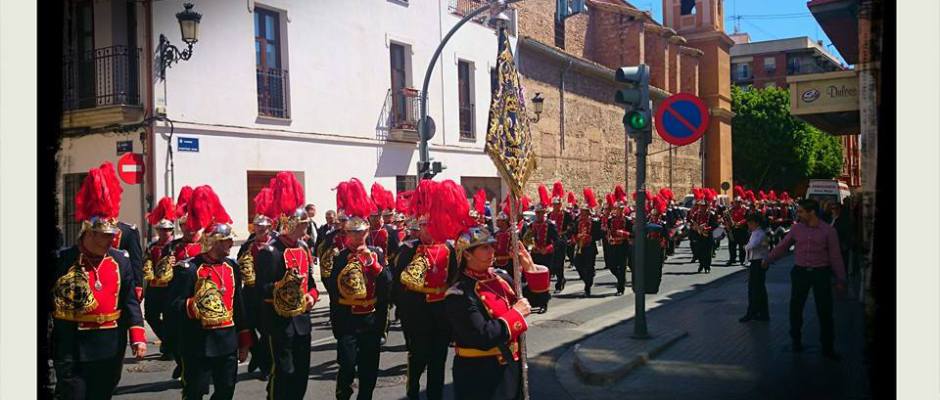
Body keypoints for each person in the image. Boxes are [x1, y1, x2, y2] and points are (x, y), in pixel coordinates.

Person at [51, 163, 147, 399]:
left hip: (110, 345)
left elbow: (129, 302)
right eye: (104, 236)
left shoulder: (120, 261)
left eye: (111, 236)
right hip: (71, 344)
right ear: (88, 232)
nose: (109, 241)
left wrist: (137, 336)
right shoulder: (62, 261)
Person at [168, 186, 252, 399]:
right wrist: (193, 306)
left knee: (226, 392)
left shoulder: (232, 267)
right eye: (226, 241)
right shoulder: (188, 269)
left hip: (227, 342)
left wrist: (244, 341)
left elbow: (238, 306)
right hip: (198, 343)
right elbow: (173, 305)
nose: (231, 244)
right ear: (213, 242)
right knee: (194, 393)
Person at [445, 229, 551, 400]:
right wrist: (516, 314)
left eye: (492, 246)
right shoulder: (459, 293)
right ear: (467, 255)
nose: (492, 251)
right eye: (485, 247)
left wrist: (529, 267)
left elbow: (535, 301)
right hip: (480, 375)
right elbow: (481, 336)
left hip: (511, 366)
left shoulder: (501, 277)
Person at [394, 179, 463, 400]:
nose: (427, 230)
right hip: (417, 314)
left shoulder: (449, 249)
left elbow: (454, 281)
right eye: (423, 226)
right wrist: (405, 314)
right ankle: (412, 393)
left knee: (438, 361)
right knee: (418, 358)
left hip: (441, 314)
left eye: (430, 225)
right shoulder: (408, 250)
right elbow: (398, 285)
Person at [255, 172, 321, 399]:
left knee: (301, 374)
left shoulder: (303, 248)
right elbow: (261, 288)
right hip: (278, 321)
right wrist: (282, 288)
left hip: (302, 319)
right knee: (283, 372)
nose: (305, 229)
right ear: (290, 224)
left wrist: (312, 297)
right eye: (302, 225)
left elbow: (311, 283)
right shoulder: (269, 252)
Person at [326, 179, 393, 400]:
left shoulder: (377, 253)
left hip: (371, 319)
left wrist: (373, 265)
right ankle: (343, 393)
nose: (357, 238)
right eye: (353, 234)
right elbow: (333, 289)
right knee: (346, 364)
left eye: (361, 233)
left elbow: (387, 284)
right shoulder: (340, 256)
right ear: (346, 234)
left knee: (369, 369)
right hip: (347, 318)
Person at [763, 198, 846, 360]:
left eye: (801, 211)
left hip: (820, 273)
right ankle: (796, 340)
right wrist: (768, 259)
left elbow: (836, 256)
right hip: (800, 272)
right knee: (796, 307)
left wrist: (841, 280)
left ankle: (828, 347)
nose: (798, 214)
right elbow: (783, 246)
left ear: (812, 212)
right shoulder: (796, 229)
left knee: (825, 310)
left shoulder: (828, 231)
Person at [157, 186, 205, 380]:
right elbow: (161, 271)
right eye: (184, 225)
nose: (188, 229)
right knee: (173, 337)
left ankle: (193, 368)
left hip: (200, 296)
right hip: (176, 297)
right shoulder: (172, 246)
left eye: (191, 225)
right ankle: (181, 362)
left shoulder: (206, 244)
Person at [238, 187, 277, 379]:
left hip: (269, 292)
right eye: (257, 229)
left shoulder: (276, 244)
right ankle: (259, 357)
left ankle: (266, 364)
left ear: (270, 228)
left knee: (268, 331)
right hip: (250, 292)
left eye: (263, 229)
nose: (259, 232)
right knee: (248, 326)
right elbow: (239, 262)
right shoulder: (248, 244)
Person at [142, 196, 177, 360]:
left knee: (170, 318)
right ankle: (169, 341)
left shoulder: (176, 246)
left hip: (170, 287)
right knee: (150, 315)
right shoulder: (152, 245)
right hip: (154, 286)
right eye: (161, 230)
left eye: (167, 230)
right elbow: (147, 259)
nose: (164, 233)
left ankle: (170, 346)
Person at [523, 185, 560, 293]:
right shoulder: (532, 225)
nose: (539, 215)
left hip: (547, 254)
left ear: (544, 213)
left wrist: (547, 249)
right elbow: (527, 239)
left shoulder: (550, 225)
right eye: (537, 213)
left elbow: (557, 241)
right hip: (536, 253)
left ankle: (545, 297)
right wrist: (532, 247)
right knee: (536, 275)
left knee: (546, 276)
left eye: (541, 213)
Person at [569, 188, 603, 297]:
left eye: (584, 212)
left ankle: (587, 287)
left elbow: (599, 234)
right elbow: (572, 232)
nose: (582, 214)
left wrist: (591, 237)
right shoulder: (577, 221)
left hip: (590, 248)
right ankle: (587, 279)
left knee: (589, 267)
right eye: (582, 212)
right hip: (580, 247)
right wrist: (576, 237)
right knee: (578, 265)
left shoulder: (594, 222)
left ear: (588, 213)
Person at [739, 214, 770, 323]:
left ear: (756, 223)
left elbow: (752, 245)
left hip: (758, 263)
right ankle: (762, 313)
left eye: (750, 223)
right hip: (757, 262)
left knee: (754, 290)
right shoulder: (757, 233)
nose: (749, 225)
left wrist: (745, 247)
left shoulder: (759, 233)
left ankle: (752, 312)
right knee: (759, 289)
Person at [605, 199, 630, 296]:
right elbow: (608, 231)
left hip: (623, 246)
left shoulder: (627, 220)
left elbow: (632, 233)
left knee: (622, 266)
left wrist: (624, 234)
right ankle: (621, 279)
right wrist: (609, 238)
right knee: (612, 266)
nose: (618, 210)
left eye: (620, 209)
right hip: (613, 245)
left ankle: (620, 288)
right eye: (617, 209)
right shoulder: (611, 220)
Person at [828, 202, 854, 278]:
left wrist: (845, 245)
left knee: (841, 266)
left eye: (836, 208)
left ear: (840, 209)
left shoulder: (845, 220)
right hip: (830, 246)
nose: (834, 210)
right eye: (832, 208)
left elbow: (848, 233)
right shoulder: (829, 218)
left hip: (841, 247)